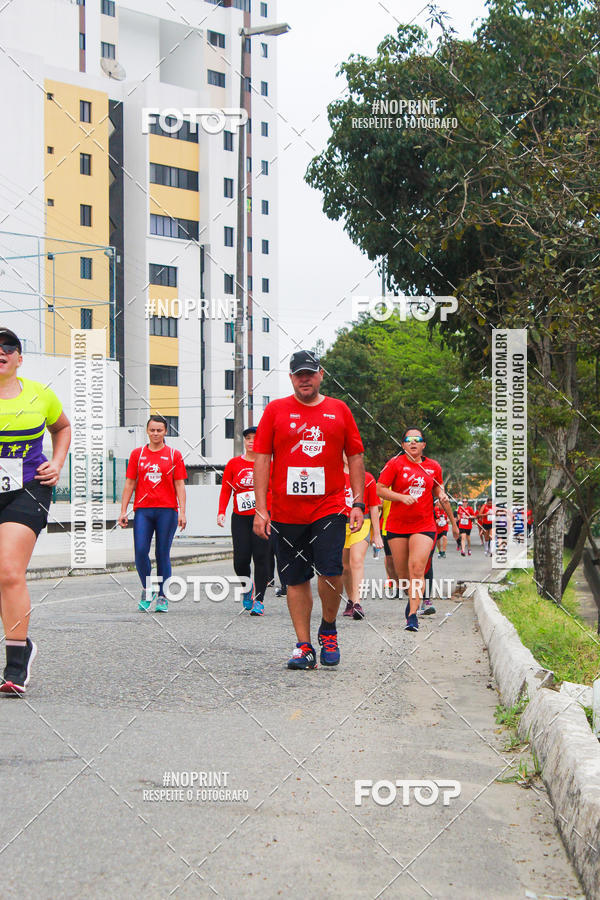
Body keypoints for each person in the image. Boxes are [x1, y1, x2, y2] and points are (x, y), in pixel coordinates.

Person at [252, 350, 365, 669]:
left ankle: (328, 628)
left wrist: (358, 502)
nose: (305, 379)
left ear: (320, 375)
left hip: (329, 506)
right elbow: (262, 458)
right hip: (286, 512)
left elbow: (355, 456)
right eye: (299, 374)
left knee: (331, 571)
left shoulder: (339, 410)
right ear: (291, 378)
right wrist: (261, 508)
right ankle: (304, 646)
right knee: (295, 578)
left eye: (310, 373)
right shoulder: (275, 411)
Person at [0, 329, 71, 695]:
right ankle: (23, 643)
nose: (1, 352)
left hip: (28, 489)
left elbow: (62, 427)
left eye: (7, 347)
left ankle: (15, 663)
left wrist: (57, 463)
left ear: (19, 357)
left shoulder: (40, 395)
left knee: (9, 570)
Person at [376, 427, 458, 632]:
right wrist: (401, 497)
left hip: (424, 525)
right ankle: (411, 599)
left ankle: (412, 616)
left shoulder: (433, 466)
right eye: (408, 439)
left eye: (417, 439)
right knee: (403, 575)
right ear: (403, 444)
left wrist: (442, 496)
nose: (413, 442)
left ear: (423, 445)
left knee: (417, 569)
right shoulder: (395, 464)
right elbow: (380, 489)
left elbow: (438, 487)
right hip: (397, 526)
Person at [119, 415, 187, 612]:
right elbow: (130, 483)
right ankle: (147, 588)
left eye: (159, 430)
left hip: (167, 510)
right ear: (147, 431)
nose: (156, 433)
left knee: (162, 553)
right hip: (143, 510)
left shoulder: (174, 455)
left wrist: (182, 512)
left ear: (165, 432)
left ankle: (163, 596)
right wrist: (123, 510)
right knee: (140, 551)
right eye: (152, 430)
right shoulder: (137, 454)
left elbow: (180, 484)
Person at [217, 426, 270, 616]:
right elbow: (226, 489)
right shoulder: (234, 464)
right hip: (240, 517)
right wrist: (221, 512)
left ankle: (260, 600)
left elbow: (274, 491)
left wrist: (269, 515)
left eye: (255, 438)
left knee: (261, 557)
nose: (251, 441)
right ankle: (247, 588)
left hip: (262, 517)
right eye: (248, 438)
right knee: (240, 560)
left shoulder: (267, 463)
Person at [342, 454, 382, 620]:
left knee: (356, 560)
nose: (349, 456)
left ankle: (357, 603)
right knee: (345, 567)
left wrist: (377, 534)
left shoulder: (368, 478)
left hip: (362, 523)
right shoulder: (333, 475)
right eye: (346, 452)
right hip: (339, 524)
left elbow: (374, 507)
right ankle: (350, 599)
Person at [380, 499, 399, 597]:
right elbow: (377, 504)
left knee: (403, 558)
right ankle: (396, 584)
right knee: (390, 559)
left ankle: (406, 583)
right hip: (387, 526)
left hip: (406, 526)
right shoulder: (384, 489)